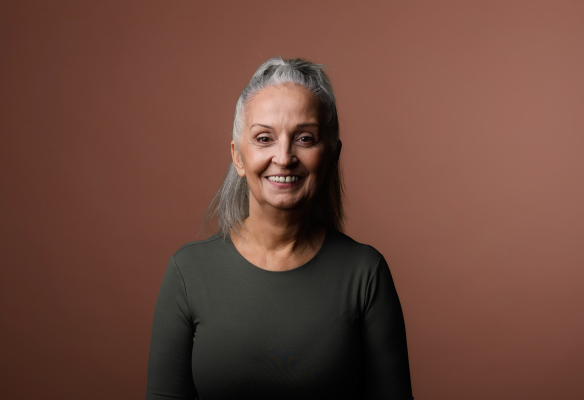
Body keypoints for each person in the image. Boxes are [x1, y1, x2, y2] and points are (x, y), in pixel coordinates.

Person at [146, 57, 414, 400]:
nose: (284, 157)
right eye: (264, 138)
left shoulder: (365, 273)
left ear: (331, 155)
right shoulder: (188, 272)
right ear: (239, 157)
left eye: (305, 138)